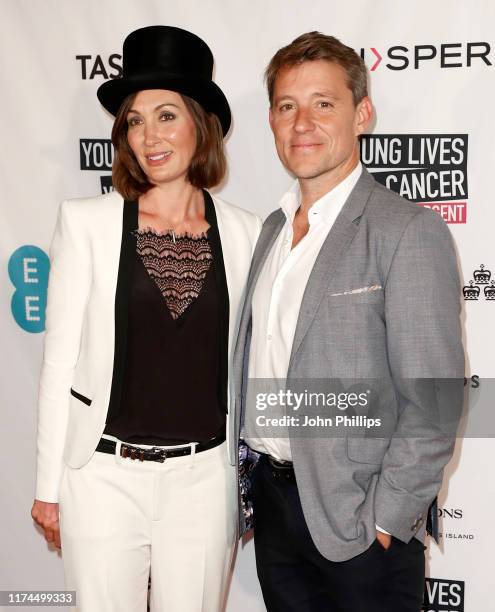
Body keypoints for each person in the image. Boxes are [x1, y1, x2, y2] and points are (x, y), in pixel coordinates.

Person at [31, 25, 261, 612]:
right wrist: (47, 490)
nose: (150, 136)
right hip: (104, 476)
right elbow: (59, 364)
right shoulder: (86, 223)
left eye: (166, 115)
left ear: (199, 126)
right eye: (135, 120)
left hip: (205, 481)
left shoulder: (246, 232)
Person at [233, 32, 464, 611]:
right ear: (271, 120)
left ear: (363, 114)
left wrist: (387, 516)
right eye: (288, 106)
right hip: (277, 512)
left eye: (323, 103)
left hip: (361, 527)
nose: (302, 122)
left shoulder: (406, 231)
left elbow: (434, 399)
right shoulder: (271, 230)